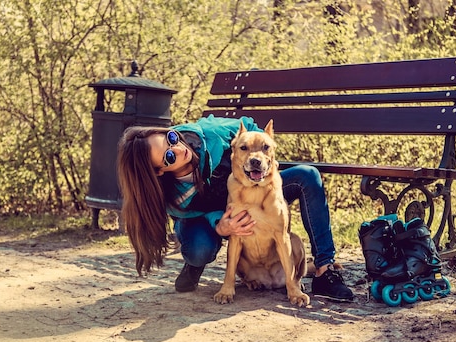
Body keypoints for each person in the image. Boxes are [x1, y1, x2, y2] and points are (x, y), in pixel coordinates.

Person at [116, 115, 354, 302]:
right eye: (169, 156)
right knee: (200, 248)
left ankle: (325, 268)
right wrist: (220, 224)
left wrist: (263, 154)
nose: (178, 148)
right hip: (210, 216)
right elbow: (194, 213)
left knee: (307, 175)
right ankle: (195, 263)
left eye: (170, 138)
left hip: (250, 189)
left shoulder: (209, 134)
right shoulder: (169, 195)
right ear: (158, 171)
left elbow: (249, 128)